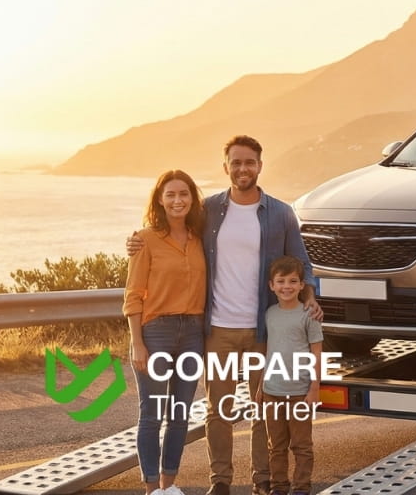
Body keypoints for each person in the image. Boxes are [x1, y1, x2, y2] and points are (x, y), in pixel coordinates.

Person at [129, 135, 321, 495]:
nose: (243, 168)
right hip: (217, 330)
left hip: (264, 331)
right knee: (220, 412)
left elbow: (302, 265)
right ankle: (221, 482)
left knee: (264, 409)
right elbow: (172, 229)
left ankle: (262, 481)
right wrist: (137, 240)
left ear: (260, 166)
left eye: (249, 162)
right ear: (226, 167)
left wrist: (310, 297)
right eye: (236, 162)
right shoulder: (210, 210)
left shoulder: (280, 213)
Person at [124, 170, 208, 495]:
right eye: (170, 195)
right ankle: (150, 489)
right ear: (160, 199)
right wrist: (137, 342)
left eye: (183, 194)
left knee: (180, 414)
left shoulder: (202, 238)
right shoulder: (144, 239)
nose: (177, 200)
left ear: (192, 198)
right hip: (155, 331)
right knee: (152, 413)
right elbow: (133, 294)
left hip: (193, 333)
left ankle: (168, 487)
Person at [254, 256, 323, 495]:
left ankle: (302, 488)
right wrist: (261, 385)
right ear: (271, 286)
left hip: (299, 393)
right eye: (281, 281)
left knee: (302, 446)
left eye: (293, 281)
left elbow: (316, 352)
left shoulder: (308, 315)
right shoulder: (269, 314)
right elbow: (269, 352)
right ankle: (279, 487)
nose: (287, 286)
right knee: (276, 447)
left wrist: (315, 387)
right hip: (273, 391)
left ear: (302, 285)